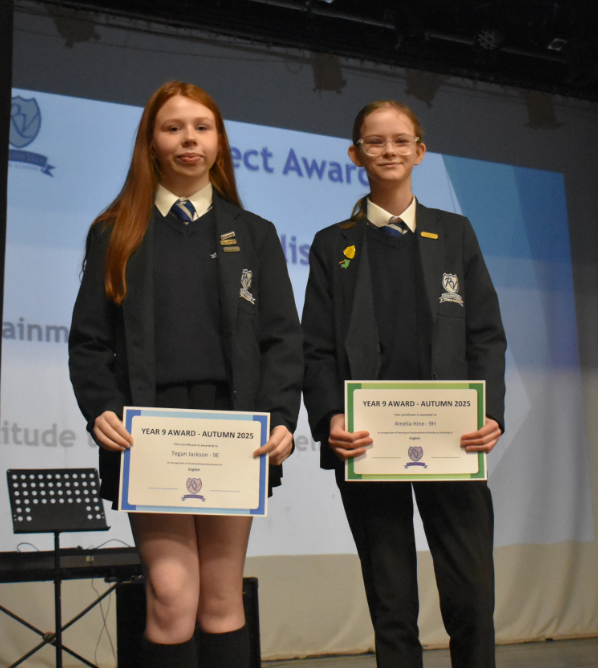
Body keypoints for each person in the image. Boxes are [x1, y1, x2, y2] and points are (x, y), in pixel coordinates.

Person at [69, 81, 303, 668]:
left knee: (222, 599)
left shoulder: (255, 234)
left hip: (234, 432)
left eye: (202, 127)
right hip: (150, 433)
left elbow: (281, 340)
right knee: (172, 597)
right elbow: (89, 341)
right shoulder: (115, 230)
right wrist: (101, 407)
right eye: (173, 128)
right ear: (151, 142)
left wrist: (281, 419)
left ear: (218, 141)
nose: (189, 139)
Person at [302, 100, 506, 668]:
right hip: (368, 444)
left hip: (453, 440)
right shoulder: (332, 244)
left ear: (420, 151)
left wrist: (490, 412)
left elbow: (485, 335)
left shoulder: (455, 233)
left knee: (471, 596)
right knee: (391, 604)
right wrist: (331, 417)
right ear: (355, 154)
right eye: (375, 141)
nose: (388, 150)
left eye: (400, 141)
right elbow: (314, 348)